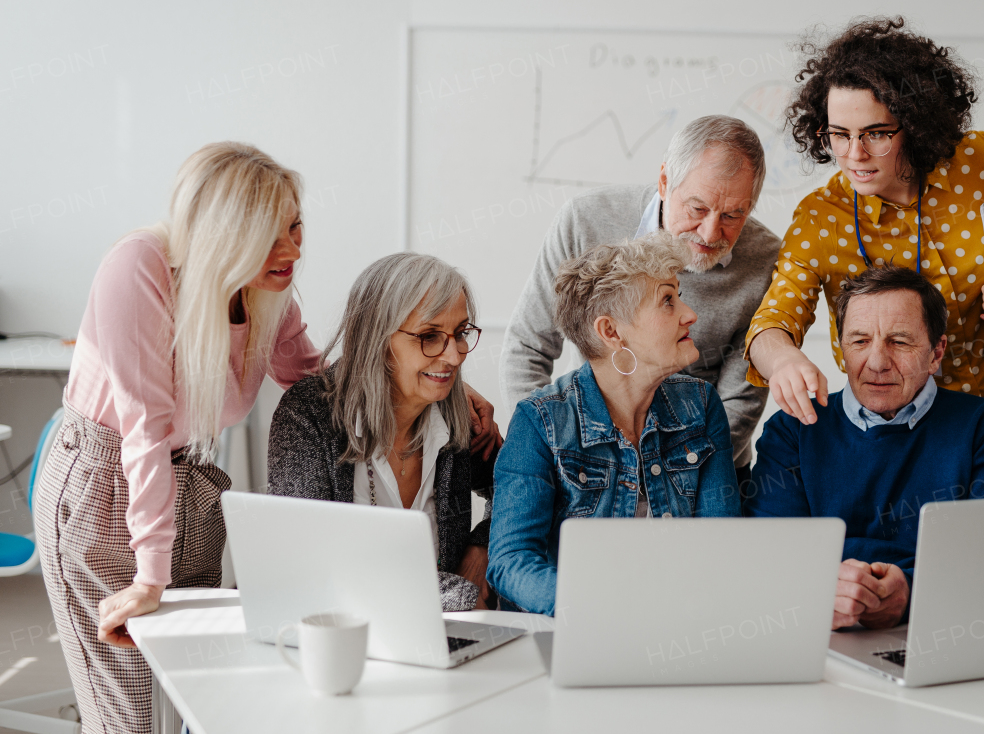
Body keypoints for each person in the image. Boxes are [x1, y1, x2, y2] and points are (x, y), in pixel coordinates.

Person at [34, 143, 324, 734]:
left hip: (191, 487)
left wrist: (434, 388)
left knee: (196, 711)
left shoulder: (268, 289)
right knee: (132, 721)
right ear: (227, 235)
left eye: (296, 228)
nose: (293, 250)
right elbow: (143, 430)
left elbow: (313, 382)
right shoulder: (139, 266)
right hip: (106, 494)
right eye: (272, 237)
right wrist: (150, 578)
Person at [746, 17, 984, 425]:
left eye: (876, 134)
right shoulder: (821, 218)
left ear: (915, 127)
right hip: (891, 422)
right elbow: (773, 320)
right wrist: (783, 361)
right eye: (838, 134)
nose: (854, 154)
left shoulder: (980, 161)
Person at [500, 115, 781, 486]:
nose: (712, 232)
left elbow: (739, 404)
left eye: (733, 215)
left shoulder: (766, 258)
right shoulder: (586, 220)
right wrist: (550, 448)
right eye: (697, 209)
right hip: (584, 465)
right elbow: (527, 347)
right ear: (665, 182)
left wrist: (657, 476)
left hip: (706, 463)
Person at [744, 267, 984, 630]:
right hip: (813, 627)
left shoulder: (982, 427)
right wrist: (827, 588)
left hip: (941, 626)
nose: (876, 362)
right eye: (860, 341)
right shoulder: (793, 430)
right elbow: (771, 555)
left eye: (899, 341)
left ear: (936, 352)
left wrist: (910, 590)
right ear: (841, 346)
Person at [488, 232, 740, 615]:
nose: (690, 314)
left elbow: (719, 544)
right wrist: (600, 607)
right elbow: (510, 561)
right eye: (668, 301)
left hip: (681, 624)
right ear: (611, 332)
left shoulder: (702, 406)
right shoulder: (539, 421)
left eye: (680, 295)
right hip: (581, 629)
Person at [268, 253, 498, 609]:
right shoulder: (309, 416)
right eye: (430, 336)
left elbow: (519, 481)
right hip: (336, 634)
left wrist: (482, 544)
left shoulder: (459, 420)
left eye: (460, 333)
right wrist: (458, 593)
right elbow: (309, 565)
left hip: (439, 636)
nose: (454, 356)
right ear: (377, 338)